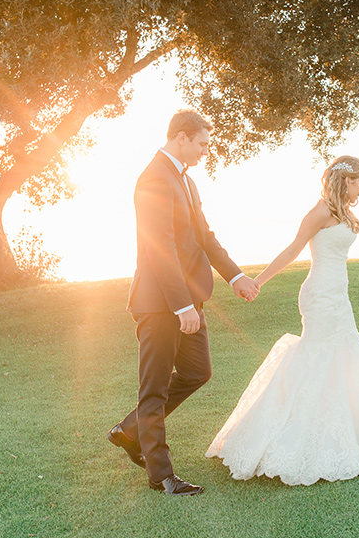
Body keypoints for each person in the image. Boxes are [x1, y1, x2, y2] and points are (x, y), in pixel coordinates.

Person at [205, 155, 359, 485]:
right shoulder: (320, 212)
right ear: (346, 181)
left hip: (339, 295)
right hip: (320, 295)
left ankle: (347, 434)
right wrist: (257, 281)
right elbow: (293, 249)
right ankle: (291, 437)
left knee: (344, 355)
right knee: (318, 356)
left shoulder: (344, 212)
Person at [107, 109, 259, 496]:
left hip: (188, 299)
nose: (207, 151)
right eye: (203, 143)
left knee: (198, 371)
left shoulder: (186, 182)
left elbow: (204, 236)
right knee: (154, 390)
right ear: (181, 138)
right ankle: (161, 474)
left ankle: (129, 431)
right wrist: (180, 306)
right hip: (160, 303)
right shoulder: (153, 179)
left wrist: (236, 276)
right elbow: (161, 250)